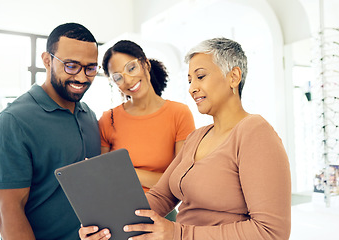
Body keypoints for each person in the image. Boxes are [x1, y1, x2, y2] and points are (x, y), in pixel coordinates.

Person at [79, 37, 291, 240]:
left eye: (200, 76)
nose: (192, 88)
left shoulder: (255, 133)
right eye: (190, 80)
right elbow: (161, 197)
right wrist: (106, 225)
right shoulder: (197, 137)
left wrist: (178, 234)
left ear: (234, 76)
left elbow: (271, 232)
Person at [0, 22, 101, 240]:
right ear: (47, 60)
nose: (82, 77)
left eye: (91, 68)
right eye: (71, 66)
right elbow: (7, 213)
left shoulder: (89, 116)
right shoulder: (12, 122)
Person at [99, 40, 195, 221]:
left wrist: (126, 171)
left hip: (162, 216)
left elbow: (180, 180)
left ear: (145, 64)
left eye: (131, 68)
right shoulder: (108, 119)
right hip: (119, 216)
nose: (127, 79)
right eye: (118, 77)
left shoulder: (179, 114)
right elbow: (103, 179)